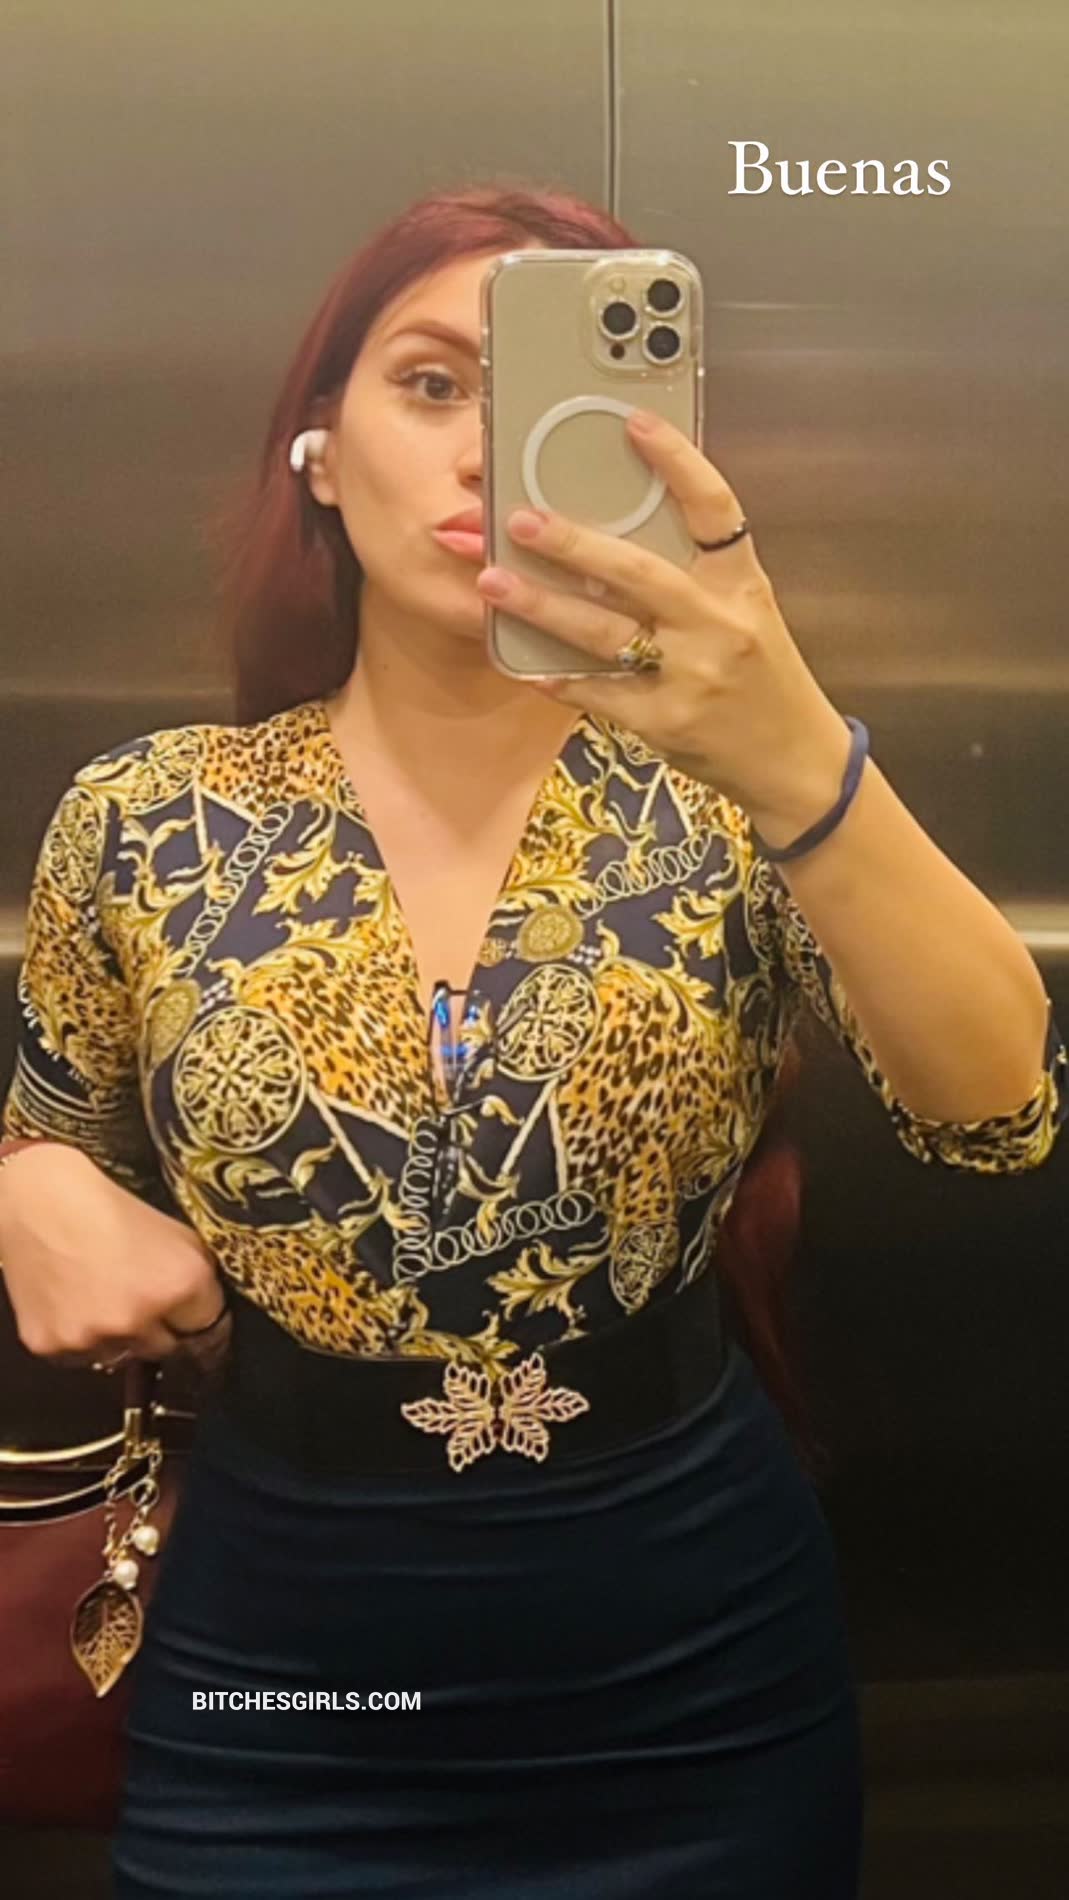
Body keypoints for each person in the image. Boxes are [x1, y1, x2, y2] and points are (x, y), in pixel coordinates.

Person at [1, 179, 1066, 1899]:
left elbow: (996, 1111)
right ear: (319, 454)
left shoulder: (731, 791)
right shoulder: (149, 816)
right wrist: (27, 1187)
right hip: (278, 1672)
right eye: (429, 382)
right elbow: (45, 1126)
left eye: (543, 397)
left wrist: (794, 748)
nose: (487, 450)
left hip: (688, 1660)